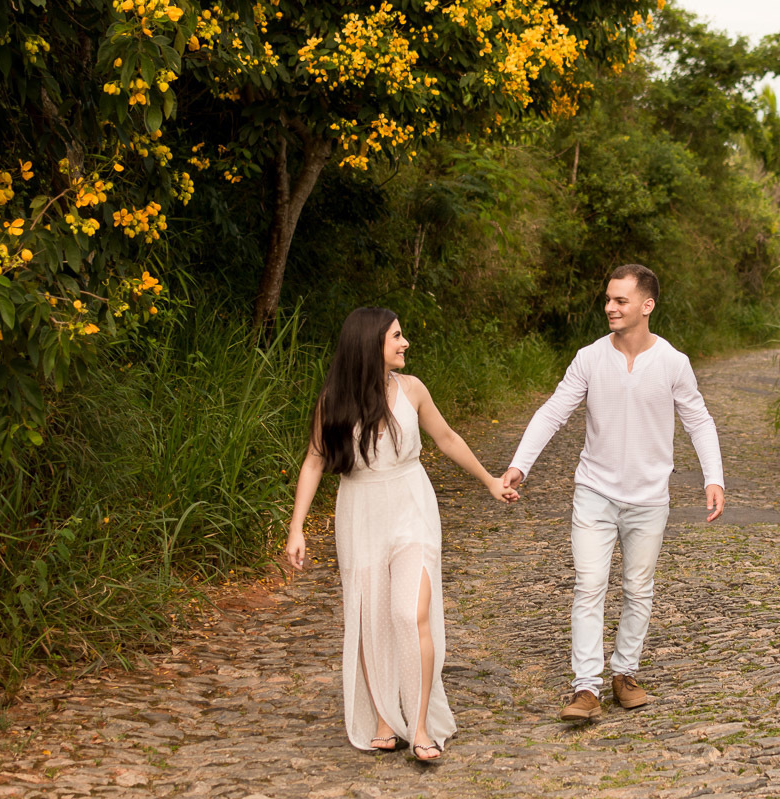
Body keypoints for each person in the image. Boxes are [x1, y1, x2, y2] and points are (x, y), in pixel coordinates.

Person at [285, 307, 518, 760]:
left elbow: (447, 438)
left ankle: (421, 725)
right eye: (396, 336)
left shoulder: (412, 390)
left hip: (412, 505)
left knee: (410, 614)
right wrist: (297, 527)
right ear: (370, 343)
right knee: (371, 618)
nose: (405, 342)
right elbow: (314, 461)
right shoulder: (334, 399)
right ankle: (383, 719)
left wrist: (490, 480)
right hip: (361, 511)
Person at [502, 264, 725, 721]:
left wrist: (713, 477)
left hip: (648, 498)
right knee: (589, 585)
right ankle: (586, 688)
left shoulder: (672, 363)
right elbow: (552, 412)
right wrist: (519, 465)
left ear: (647, 306)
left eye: (620, 300)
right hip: (594, 491)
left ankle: (624, 673)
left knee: (638, 588)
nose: (609, 307)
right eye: (608, 298)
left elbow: (698, 420)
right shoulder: (589, 358)